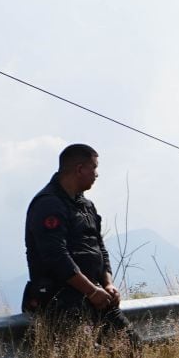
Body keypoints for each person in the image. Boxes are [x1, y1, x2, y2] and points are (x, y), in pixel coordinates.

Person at [22, 142, 136, 346]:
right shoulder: (48, 203)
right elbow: (56, 256)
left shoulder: (86, 205)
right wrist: (91, 291)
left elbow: (99, 248)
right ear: (80, 169)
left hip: (96, 296)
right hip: (61, 301)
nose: (97, 174)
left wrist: (107, 283)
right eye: (94, 168)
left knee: (130, 345)